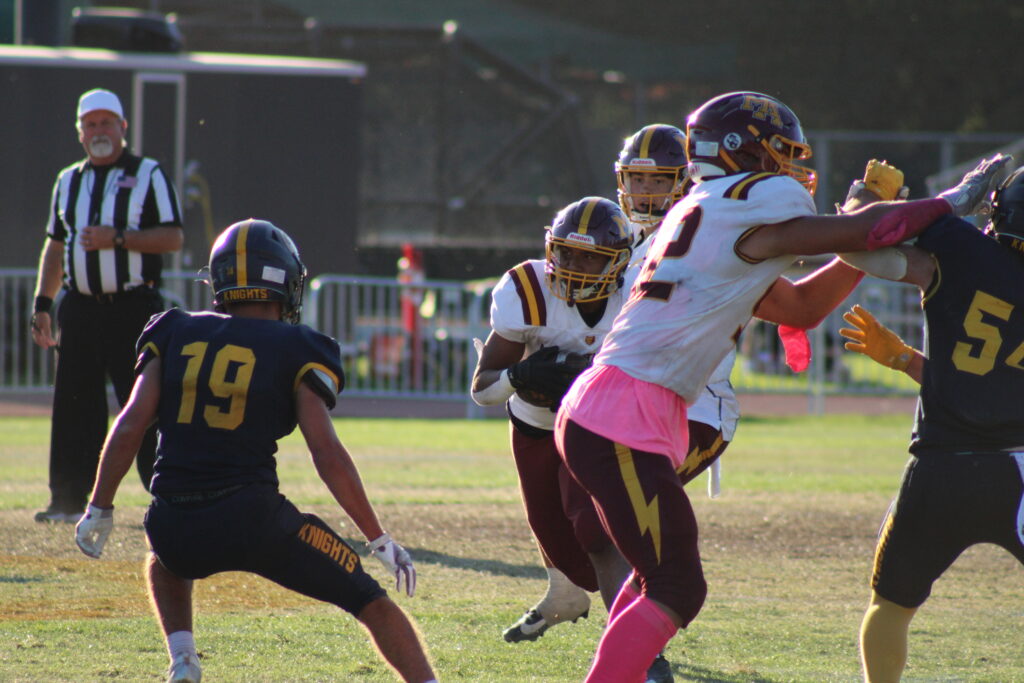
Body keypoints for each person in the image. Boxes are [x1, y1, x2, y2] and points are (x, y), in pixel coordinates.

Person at [553, 90, 955, 682]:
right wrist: (947, 203)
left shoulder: (712, 218)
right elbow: (873, 232)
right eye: (782, 154)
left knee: (658, 578)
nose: (791, 169)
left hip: (625, 407)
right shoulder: (743, 209)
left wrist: (856, 223)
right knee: (677, 586)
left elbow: (800, 307)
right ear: (748, 151)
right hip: (623, 412)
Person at [74, 219, 437, 683]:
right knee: (370, 600)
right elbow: (325, 452)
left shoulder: (173, 328)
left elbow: (130, 424)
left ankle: (182, 659)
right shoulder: (299, 345)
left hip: (174, 521)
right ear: (283, 281)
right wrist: (378, 537)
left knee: (164, 557)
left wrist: (98, 507)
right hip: (254, 518)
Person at [834, 160, 1023, 683]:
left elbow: (856, 245)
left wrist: (866, 196)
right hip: (1023, 470)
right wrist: (905, 360)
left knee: (892, 605)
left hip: (942, 468)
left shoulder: (966, 254)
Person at [31, 88, 183, 523]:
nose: (99, 131)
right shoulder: (68, 180)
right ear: (80, 132)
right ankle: (66, 501)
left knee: (147, 402)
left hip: (133, 306)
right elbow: (55, 247)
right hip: (79, 306)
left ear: (123, 127)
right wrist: (43, 302)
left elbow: (172, 237)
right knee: (74, 405)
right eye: (90, 124)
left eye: (106, 122)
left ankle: (169, 495)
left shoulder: (148, 173)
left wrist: (116, 238)